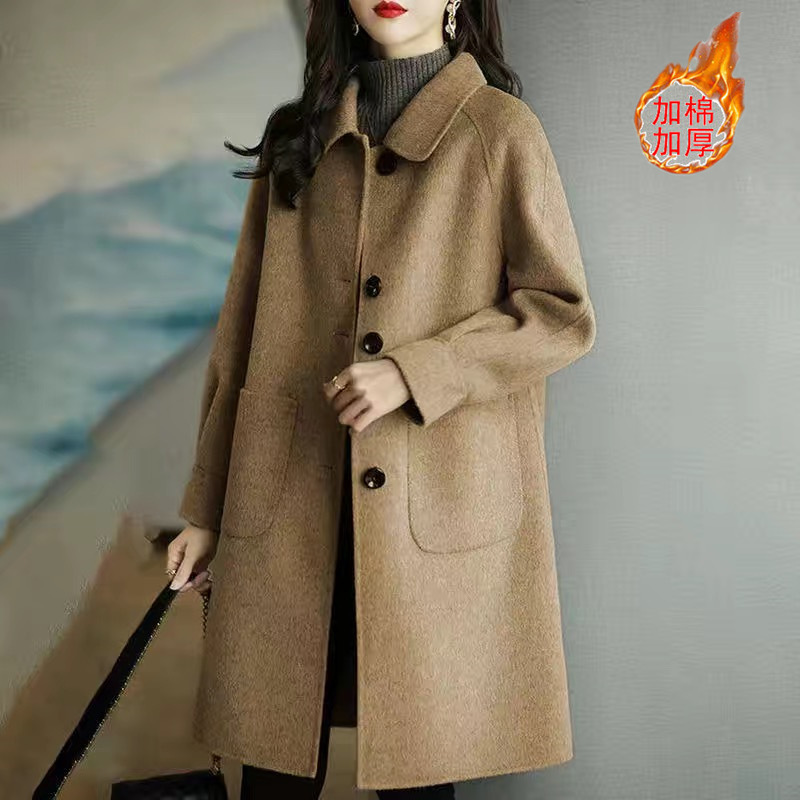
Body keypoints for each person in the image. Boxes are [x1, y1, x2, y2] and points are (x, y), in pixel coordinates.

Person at [166, 0, 597, 797]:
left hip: (432, 509)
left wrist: (416, 372)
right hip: (290, 502)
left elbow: (560, 315)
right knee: (272, 767)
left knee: (419, 766)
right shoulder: (298, 136)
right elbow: (241, 333)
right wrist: (206, 509)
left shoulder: (499, 132)